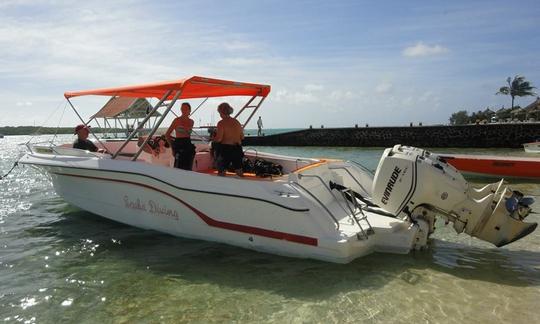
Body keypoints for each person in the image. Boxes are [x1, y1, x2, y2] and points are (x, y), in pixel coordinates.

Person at [214, 102, 244, 176]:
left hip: (226, 149)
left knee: (221, 171)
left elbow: (219, 139)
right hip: (237, 148)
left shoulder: (221, 123)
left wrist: (213, 139)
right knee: (239, 171)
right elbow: (242, 137)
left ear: (221, 112)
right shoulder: (237, 122)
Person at [165, 102, 195, 170]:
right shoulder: (176, 120)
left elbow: (187, 134)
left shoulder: (191, 121)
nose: (183, 110)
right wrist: (172, 148)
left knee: (188, 167)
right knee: (179, 167)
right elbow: (167, 134)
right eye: (182, 108)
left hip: (188, 144)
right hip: (179, 145)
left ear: (190, 110)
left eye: (185, 108)